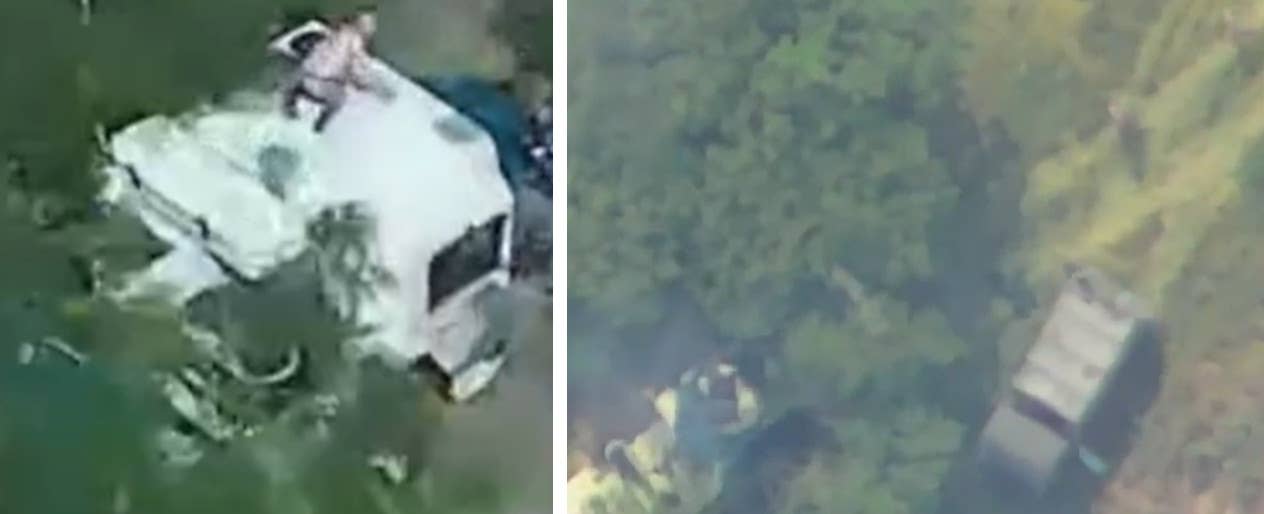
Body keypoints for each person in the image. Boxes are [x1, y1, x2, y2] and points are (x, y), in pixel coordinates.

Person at [282, 11, 391, 132]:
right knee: (339, 99)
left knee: (302, 74)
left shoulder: (338, 32)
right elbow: (358, 77)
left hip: (303, 77)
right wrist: (379, 91)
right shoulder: (356, 46)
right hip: (321, 87)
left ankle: (289, 105)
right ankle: (318, 128)